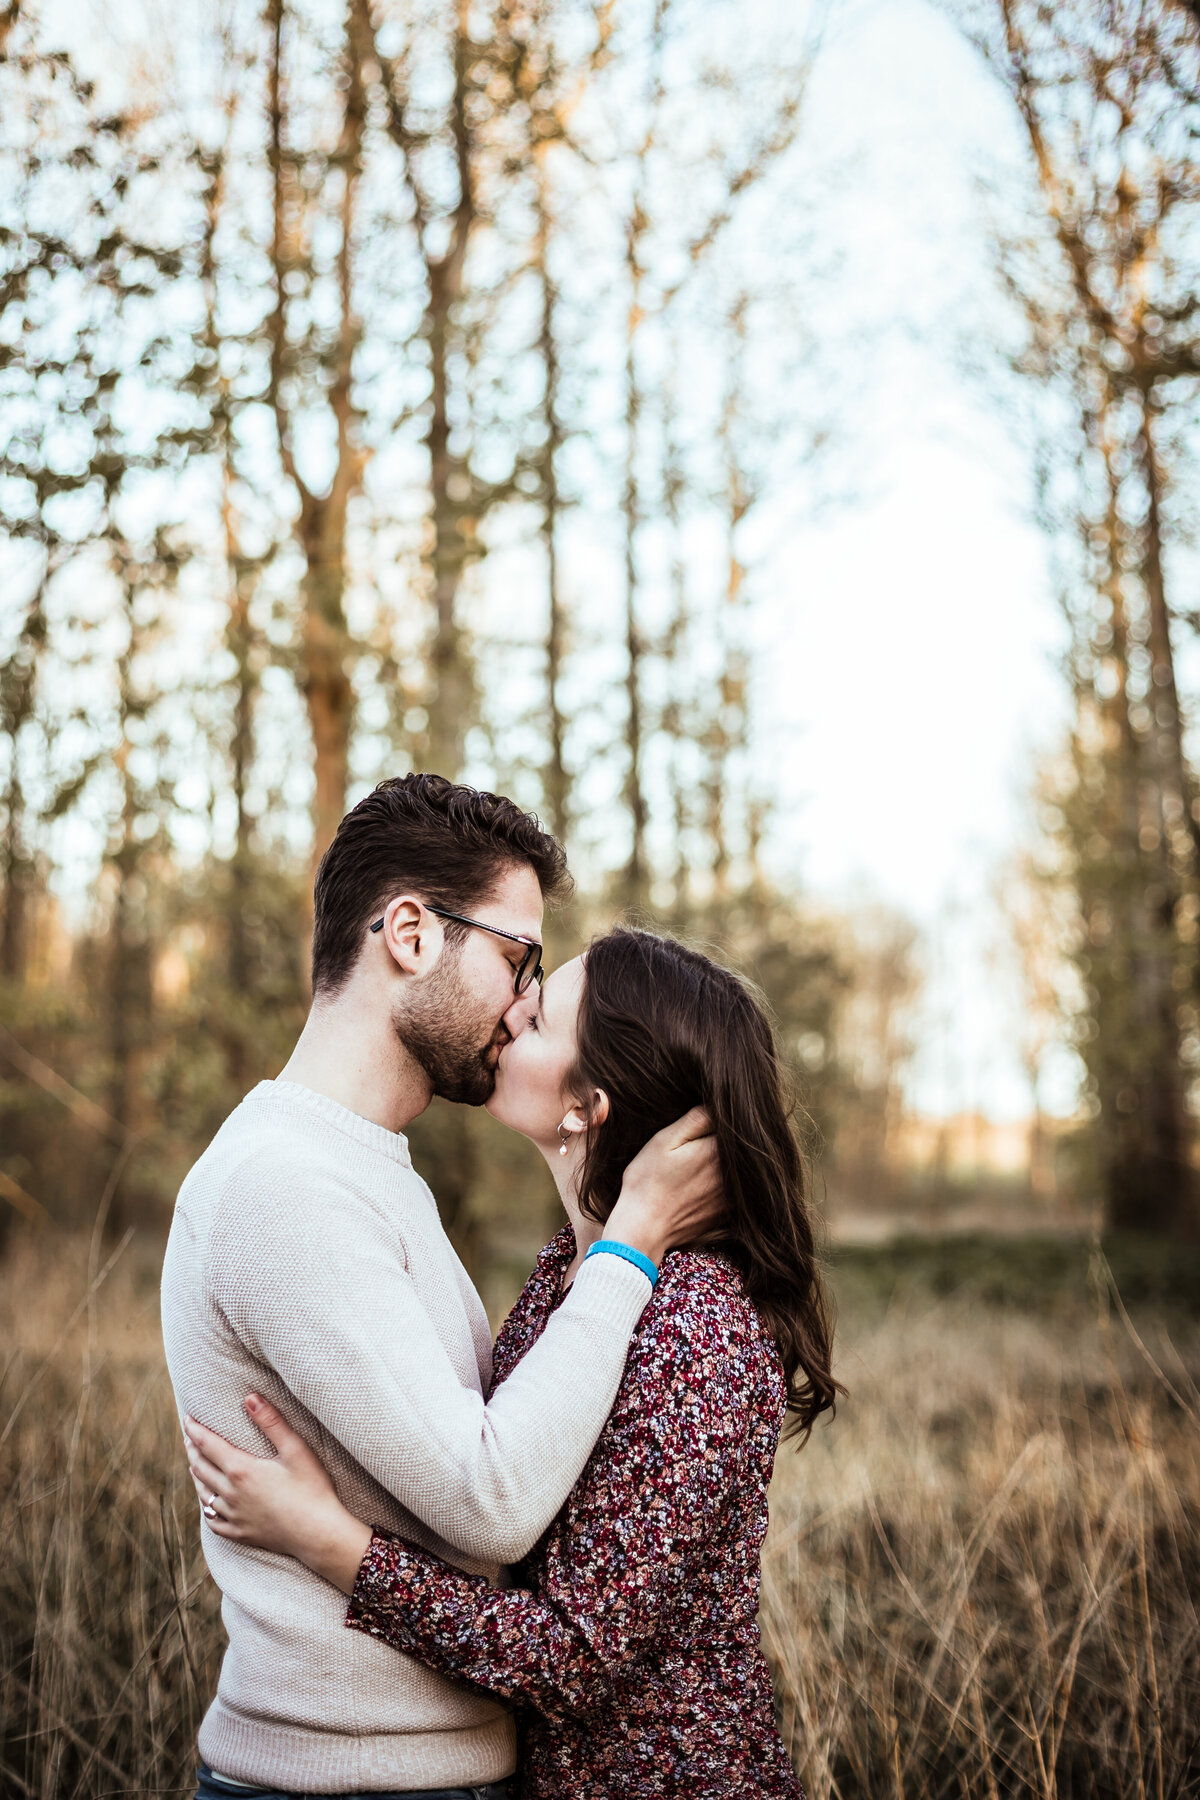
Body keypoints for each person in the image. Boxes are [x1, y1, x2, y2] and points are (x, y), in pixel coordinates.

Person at [182, 926, 841, 1799]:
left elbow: (570, 1658)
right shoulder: (565, 1280)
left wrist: (330, 1544)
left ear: (589, 1103)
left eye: (543, 1016)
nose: (513, 1008)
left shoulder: (698, 1324)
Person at [161, 776, 721, 1800]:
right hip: (346, 1782)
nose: (524, 1005)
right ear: (410, 934)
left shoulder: (367, 1165)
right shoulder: (285, 1186)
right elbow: (492, 1498)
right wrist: (632, 1243)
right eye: (518, 959)